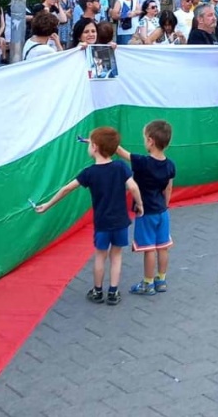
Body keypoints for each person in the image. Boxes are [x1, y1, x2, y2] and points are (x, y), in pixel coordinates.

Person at [34, 126, 144, 306]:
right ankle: (113, 292)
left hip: (102, 223)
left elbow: (67, 188)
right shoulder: (120, 167)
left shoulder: (89, 173)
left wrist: (47, 205)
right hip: (120, 222)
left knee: (100, 255)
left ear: (94, 147)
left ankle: (97, 291)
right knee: (116, 255)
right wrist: (139, 204)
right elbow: (133, 187)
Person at [114, 119, 176, 296]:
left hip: (145, 211)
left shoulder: (142, 162)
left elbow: (120, 151)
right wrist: (165, 205)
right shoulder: (170, 165)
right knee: (163, 246)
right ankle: (161, 280)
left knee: (149, 249)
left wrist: (101, 141)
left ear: (150, 141)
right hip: (162, 212)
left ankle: (147, 283)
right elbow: (168, 187)